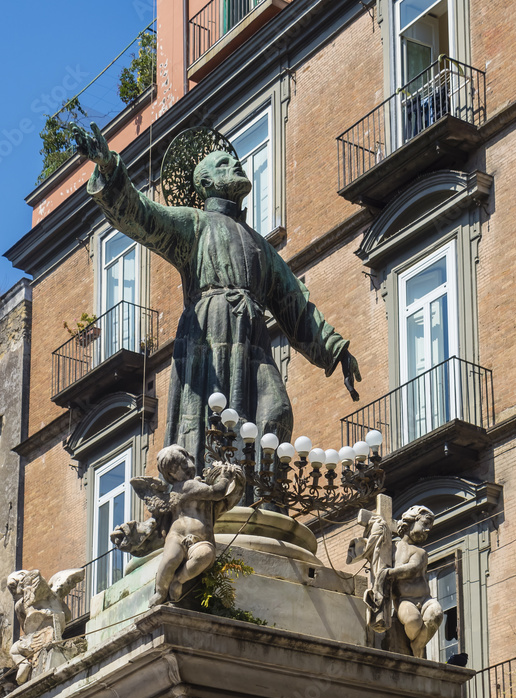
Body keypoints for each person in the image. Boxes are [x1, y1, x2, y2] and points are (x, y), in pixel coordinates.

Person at [71, 123, 362, 472]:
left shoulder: (261, 246)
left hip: (252, 339)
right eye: (223, 164)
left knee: (276, 412)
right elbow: (141, 216)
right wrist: (108, 168)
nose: (235, 165)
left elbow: (296, 307)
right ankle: (217, 492)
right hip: (210, 333)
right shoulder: (193, 223)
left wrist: (335, 350)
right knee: (217, 423)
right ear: (205, 183)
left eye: (234, 161)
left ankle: (260, 498)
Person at [111, 444, 245, 606]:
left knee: (204, 555)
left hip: (198, 540)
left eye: (185, 462)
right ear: (171, 475)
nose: (186, 468)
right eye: (177, 468)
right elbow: (218, 492)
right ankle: (161, 591)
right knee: (169, 560)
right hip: (176, 537)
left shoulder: (192, 486)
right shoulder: (187, 486)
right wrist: (225, 477)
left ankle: (177, 580)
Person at [371, 505, 443, 658]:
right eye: (425, 524)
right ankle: (417, 643)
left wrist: (388, 573)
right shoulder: (391, 548)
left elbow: (412, 568)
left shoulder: (420, 552)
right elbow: (377, 556)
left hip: (425, 600)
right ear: (411, 521)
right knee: (412, 620)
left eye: (430, 526)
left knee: (436, 614)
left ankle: (418, 645)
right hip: (404, 600)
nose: (428, 530)